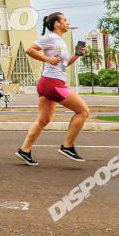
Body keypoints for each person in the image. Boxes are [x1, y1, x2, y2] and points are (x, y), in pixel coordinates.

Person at [16, 12, 90, 165]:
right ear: (57, 23)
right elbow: (29, 50)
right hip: (53, 84)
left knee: (43, 120)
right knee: (83, 111)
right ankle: (67, 146)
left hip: (48, 83)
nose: (67, 22)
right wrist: (47, 58)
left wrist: (77, 55)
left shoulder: (60, 41)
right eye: (64, 20)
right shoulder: (49, 37)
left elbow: (63, 64)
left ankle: (25, 150)